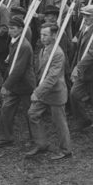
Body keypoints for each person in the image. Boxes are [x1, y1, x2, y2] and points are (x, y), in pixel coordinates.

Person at [26, 23, 72, 160]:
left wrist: (37, 93)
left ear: (54, 36)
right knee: (33, 114)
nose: (42, 37)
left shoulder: (57, 54)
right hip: (44, 92)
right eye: (41, 34)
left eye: (45, 35)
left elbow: (52, 77)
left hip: (55, 93)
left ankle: (66, 150)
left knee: (59, 122)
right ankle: (41, 144)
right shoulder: (43, 49)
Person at [0, 16, 35, 147]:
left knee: (31, 113)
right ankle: (6, 137)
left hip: (25, 84)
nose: (10, 31)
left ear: (21, 29)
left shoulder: (24, 46)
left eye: (13, 29)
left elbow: (19, 69)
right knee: (6, 109)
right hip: (15, 84)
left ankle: (35, 139)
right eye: (9, 28)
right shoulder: (14, 41)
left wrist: (6, 85)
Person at [70, 5, 93, 131]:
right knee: (74, 94)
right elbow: (79, 51)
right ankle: (83, 120)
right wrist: (75, 67)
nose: (85, 18)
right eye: (84, 15)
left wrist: (78, 67)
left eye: (88, 16)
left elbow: (92, 53)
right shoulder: (84, 29)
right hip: (82, 70)